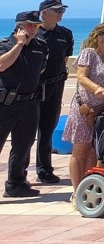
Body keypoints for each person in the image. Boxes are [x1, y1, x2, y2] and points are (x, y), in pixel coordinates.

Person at [62, 22, 104, 203]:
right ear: (96, 36)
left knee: (95, 153)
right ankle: (75, 192)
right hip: (85, 110)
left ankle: (87, 189)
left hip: (103, 113)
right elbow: (81, 76)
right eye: (102, 34)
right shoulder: (89, 53)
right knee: (80, 151)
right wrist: (96, 88)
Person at [0, 11, 49, 198]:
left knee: (24, 145)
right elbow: (2, 66)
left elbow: (41, 69)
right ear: (18, 26)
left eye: (36, 26)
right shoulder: (5, 45)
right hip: (6, 104)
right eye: (29, 25)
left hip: (30, 103)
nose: (33, 29)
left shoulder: (40, 46)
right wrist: (20, 44)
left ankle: (16, 183)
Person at [34, 0, 73, 185]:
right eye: (57, 10)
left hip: (55, 86)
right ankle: (18, 175)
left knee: (48, 129)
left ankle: (44, 170)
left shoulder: (65, 34)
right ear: (44, 13)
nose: (61, 13)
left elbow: (64, 60)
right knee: (25, 132)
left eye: (62, 10)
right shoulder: (32, 33)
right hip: (33, 88)